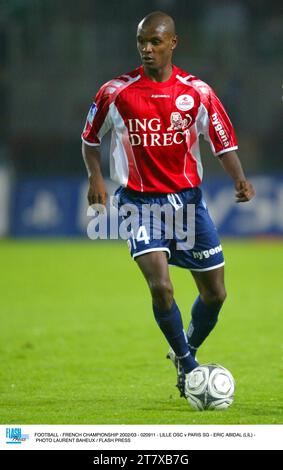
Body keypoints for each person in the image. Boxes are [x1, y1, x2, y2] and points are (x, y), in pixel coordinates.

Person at [81, 11, 255, 399]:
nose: (147, 48)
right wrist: (96, 177)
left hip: (188, 204)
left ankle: (185, 351)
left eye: (155, 41)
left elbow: (222, 142)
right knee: (161, 287)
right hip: (139, 204)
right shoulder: (116, 91)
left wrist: (239, 178)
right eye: (142, 41)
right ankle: (190, 368)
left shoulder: (197, 93)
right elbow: (90, 139)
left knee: (215, 294)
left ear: (172, 43)